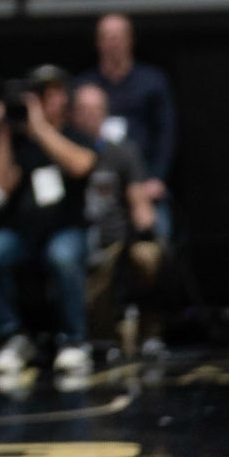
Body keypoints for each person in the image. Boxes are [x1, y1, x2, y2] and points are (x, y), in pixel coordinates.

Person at [0, 65, 97, 381]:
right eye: (41, 95)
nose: (47, 100)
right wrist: (3, 131)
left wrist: (40, 128)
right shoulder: (24, 142)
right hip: (26, 233)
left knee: (62, 256)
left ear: (65, 98)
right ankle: (13, 337)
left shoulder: (75, 134)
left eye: (53, 94)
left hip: (68, 229)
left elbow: (81, 166)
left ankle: (74, 341)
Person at [70, 82, 165, 354]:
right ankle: (105, 339)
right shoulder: (65, 149)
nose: (88, 114)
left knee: (149, 257)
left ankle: (150, 332)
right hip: (85, 233)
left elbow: (138, 198)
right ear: (73, 113)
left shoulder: (122, 151)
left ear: (105, 112)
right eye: (82, 109)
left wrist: (145, 226)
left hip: (121, 234)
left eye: (95, 108)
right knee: (95, 265)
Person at [78, 14, 177, 238]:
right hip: (100, 186)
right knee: (88, 246)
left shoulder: (152, 81)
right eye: (107, 37)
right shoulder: (86, 85)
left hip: (145, 181)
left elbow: (166, 134)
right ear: (98, 42)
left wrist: (157, 177)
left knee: (155, 239)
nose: (113, 43)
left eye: (118, 37)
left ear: (130, 40)